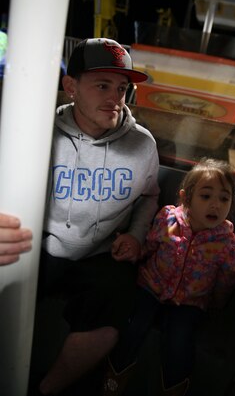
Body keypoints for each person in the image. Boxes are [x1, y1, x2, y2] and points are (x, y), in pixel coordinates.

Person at [1, 37, 160, 395]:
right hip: (36, 242)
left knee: (116, 304)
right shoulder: (33, 135)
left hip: (100, 252)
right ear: (70, 86)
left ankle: (45, 390)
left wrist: (135, 234)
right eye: (102, 85)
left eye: (122, 88)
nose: (115, 98)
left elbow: (150, 196)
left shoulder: (142, 145)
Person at [101, 158, 235, 396]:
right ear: (186, 197)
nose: (216, 206)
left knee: (179, 342)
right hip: (152, 285)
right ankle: (113, 379)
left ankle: (173, 389)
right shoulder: (168, 219)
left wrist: (216, 305)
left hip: (190, 301)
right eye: (206, 196)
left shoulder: (229, 244)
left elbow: (227, 280)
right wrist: (134, 254)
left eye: (224, 198)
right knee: (133, 326)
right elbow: (149, 246)